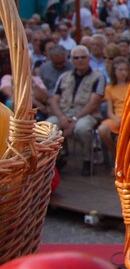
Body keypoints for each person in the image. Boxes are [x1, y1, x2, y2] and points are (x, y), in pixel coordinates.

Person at [47, 46, 106, 176]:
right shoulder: (64, 76)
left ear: (88, 59)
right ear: (72, 60)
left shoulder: (98, 77)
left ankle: (87, 160)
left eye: (83, 57)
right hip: (64, 113)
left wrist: (74, 119)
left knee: (81, 128)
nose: (80, 60)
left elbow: (94, 102)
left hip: (87, 115)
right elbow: (54, 100)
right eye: (76, 58)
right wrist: (62, 117)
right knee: (48, 126)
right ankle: (57, 157)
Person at [98, 56, 130, 168]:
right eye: (120, 70)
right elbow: (110, 111)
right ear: (114, 71)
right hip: (117, 117)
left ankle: (122, 164)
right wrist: (117, 119)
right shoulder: (109, 88)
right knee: (102, 130)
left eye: (125, 70)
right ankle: (117, 157)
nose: (123, 73)